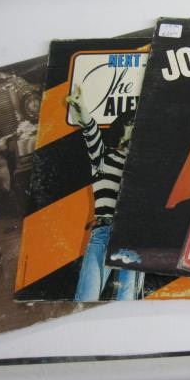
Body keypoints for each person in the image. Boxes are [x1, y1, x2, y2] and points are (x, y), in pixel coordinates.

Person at [67, 84, 144, 302]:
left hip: (131, 234)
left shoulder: (141, 166)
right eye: (131, 124)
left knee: (126, 299)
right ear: (122, 128)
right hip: (103, 231)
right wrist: (80, 107)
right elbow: (90, 129)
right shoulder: (103, 157)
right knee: (86, 297)